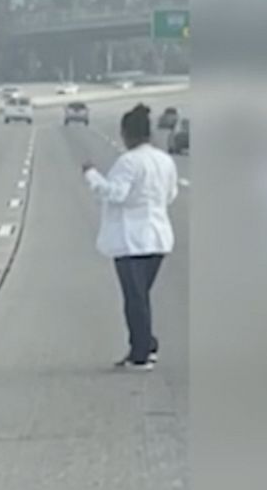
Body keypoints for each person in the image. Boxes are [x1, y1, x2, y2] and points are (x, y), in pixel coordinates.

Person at [82, 104, 178, 371]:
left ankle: (141, 354)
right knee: (140, 297)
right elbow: (170, 196)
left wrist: (91, 175)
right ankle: (146, 344)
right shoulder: (164, 161)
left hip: (131, 240)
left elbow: (115, 194)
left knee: (135, 300)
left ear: (127, 133)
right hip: (158, 237)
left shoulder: (129, 161)